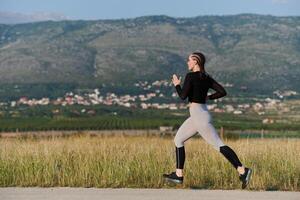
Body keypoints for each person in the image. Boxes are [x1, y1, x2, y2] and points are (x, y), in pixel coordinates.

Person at [163, 51, 252, 189]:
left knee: (218, 144)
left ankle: (243, 170)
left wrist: (176, 84)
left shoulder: (191, 76)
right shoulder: (206, 77)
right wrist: (208, 98)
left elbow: (182, 96)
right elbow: (222, 91)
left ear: (196, 62)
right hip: (199, 114)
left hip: (199, 116)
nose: (187, 62)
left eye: (189, 60)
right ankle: (178, 175)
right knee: (178, 140)